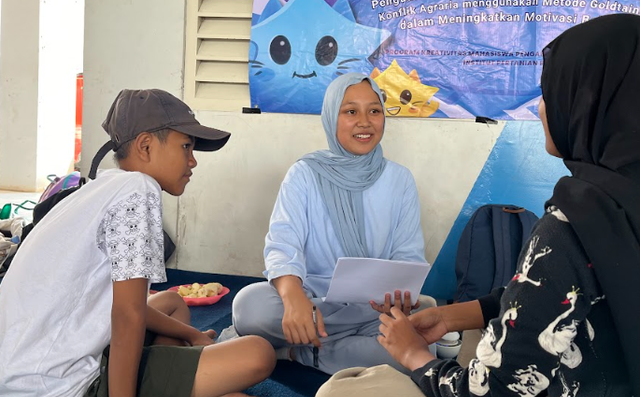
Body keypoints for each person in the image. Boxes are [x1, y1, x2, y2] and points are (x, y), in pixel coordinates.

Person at [317, 13, 640, 397]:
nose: (540, 109)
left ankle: (309, 353)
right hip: (321, 304)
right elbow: (560, 295)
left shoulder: (574, 223)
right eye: (349, 111)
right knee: (260, 305)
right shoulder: (305, 174)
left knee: (340, 391)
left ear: (587, 105)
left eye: (551, 93)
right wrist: (456, 314)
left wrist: (416, 357)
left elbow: (494, 390)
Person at [0, 89, 276, 397]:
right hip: (54, 384)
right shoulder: (137, 189)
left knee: (173, 305)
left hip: (19, 367)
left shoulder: (100, 187)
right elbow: (127, 315)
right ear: (145, 146)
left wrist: (192, 335)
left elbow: (124, 306)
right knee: (257, 354)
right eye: (186, 146)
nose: (193, 160)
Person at [229, 73, 429, 375]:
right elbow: (283, 246)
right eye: (350, 111)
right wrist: (294, 299)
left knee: (426, 329)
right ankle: (331, 343)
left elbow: (407, 255)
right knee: (249, 306)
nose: (364, 121)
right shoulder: (305, 174)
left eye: (374, 111)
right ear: (330, 118)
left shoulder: (399, 180)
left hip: (371, 310)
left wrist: (399, 298)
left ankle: (300, 353)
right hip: (311, 300)